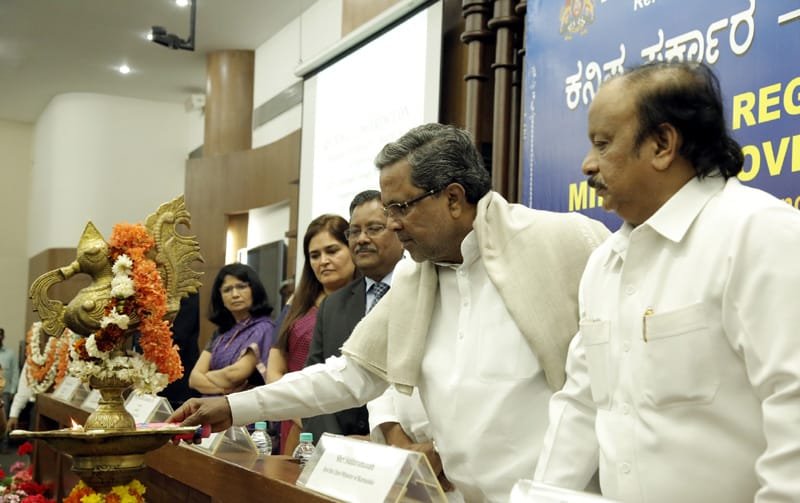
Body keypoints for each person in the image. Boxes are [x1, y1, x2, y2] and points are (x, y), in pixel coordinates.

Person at [169, 123, 609, 502]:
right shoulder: (413, 277)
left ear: (453, 198)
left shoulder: (565, 243)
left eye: (401, 207)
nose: (393, 223)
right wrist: (233, 405)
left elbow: (602, 392)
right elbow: (351, 373)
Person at [533, 61, 800, 503]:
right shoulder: (603, 265)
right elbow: (580, 405)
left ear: (662, 144)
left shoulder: (759, 233)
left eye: (602, 144)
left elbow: (793, 402)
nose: (587, 164)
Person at [302, 191, 403, 441]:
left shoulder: (426, 289)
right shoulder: (332, 305)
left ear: (400, 229)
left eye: (374, 228)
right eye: (354, 232)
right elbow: (315, 383)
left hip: (406, 451)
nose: (362, 239)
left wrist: (384, 440)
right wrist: (337, 445)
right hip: (339, 456)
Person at [267, 214, 356, 454]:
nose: (323, 261)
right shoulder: (297, 303)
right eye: (315, 255)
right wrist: (301, 414)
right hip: (296, 418)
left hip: (348, 425)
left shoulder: (367, 301)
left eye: (332, 251)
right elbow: (274, 370)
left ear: (352, 249)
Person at [188, 263, 276, 396]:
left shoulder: (264, 328)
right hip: (211, 407)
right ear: (221, 298)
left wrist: (205, 376)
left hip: (245, 411)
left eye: (241, 287)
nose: (235, 294)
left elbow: (235, 374)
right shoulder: (221, 334)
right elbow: (194, 379)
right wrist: (224, 390)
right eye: (227, 290)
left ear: (254, 290)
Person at [0, 328, 18, 417]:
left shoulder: (10, 354)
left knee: (3, 417)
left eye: (0, 335)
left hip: (5, 393)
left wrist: (13, 391)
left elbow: (15, 372)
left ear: (3, 337)